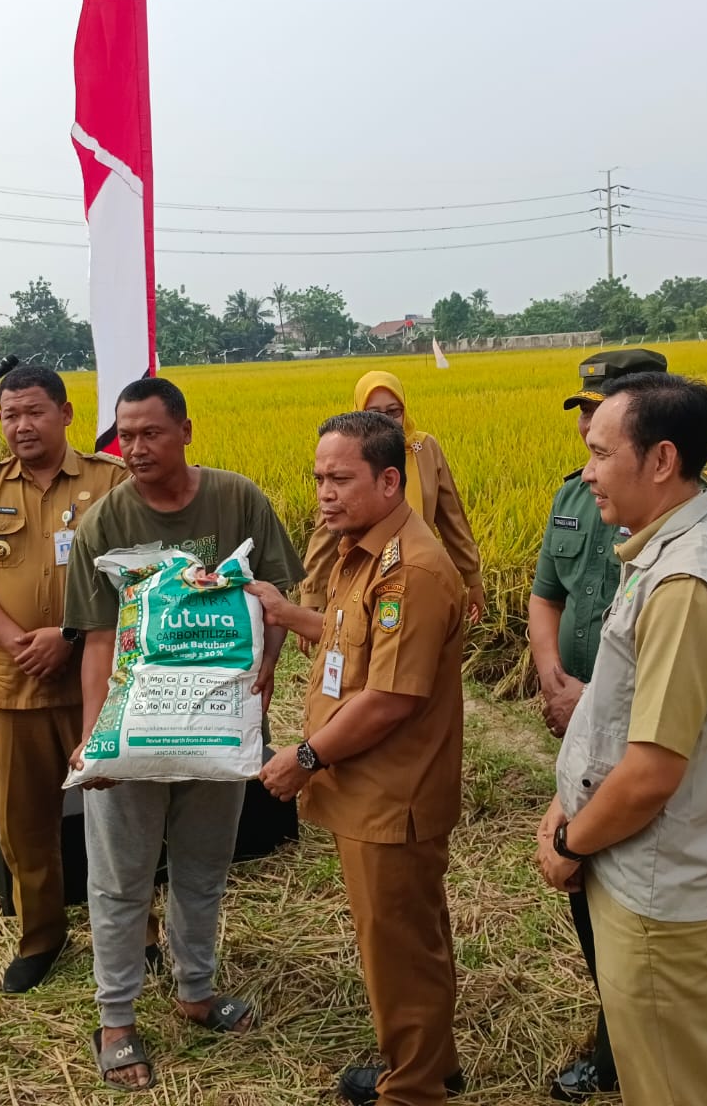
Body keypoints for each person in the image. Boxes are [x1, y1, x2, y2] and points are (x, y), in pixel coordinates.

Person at [63, 376, 305, 1092]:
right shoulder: (104, 522)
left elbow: (275, 602)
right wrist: (93, 737)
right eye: (125, 436)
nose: (135, 448)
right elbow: (98, 640)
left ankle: (195, 992)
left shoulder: (238, 500)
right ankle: (116, 1020)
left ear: (185, 431)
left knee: (203, 867)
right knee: (120, 880)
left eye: (150, 433)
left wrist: (265, 670)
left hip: (217, 726)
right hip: (135, 729)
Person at [526, 348, 707, 1100]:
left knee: (673, 1086)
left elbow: (653, 770)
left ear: (661, 460)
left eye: (601, 454)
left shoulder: (685, 582)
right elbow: (616, 713)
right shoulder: (656, 553)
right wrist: (567, 799)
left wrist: (569, 842)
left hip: (663, 878)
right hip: (640, 861)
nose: (588, 471)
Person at [248, 409, 466, 1106]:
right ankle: (429, 1064)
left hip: (392, 794)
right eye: (319, 478)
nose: (325, 493)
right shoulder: (365, 551)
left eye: (340, 479)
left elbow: (389, 699)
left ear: (389, 480)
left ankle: (413, 1090)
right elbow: (353, 642)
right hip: (371, 789)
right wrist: (287, 613)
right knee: (406, 938)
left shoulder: (411, 570)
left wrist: (305, 757)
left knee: (397, 947)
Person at [0, 363, 130, 992]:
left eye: (34, 412)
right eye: (10, 415)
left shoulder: (111, 480)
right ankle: (42, 937)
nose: (21, 425)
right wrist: (19, 643)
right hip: (15, 680)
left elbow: (137, 574)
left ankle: (138, 934)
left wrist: (68, 635)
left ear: (65, 414)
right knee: (24, 823)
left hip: (97, 679)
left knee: (119, 814)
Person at [300, 370, 484, 627]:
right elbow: (327, 530)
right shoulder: (351, 456)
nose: (386, 421)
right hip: (363, 576)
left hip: (417, 572)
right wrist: (311, 596)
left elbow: (452, 519)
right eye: (374, 413)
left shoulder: (425, 448)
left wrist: (472, 577)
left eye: (393, 412)